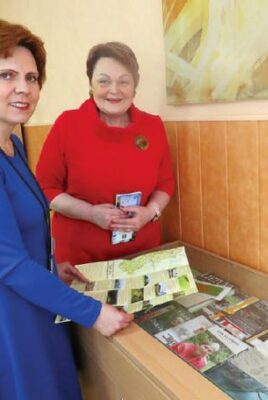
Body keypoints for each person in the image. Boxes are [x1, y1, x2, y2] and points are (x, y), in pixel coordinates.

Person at [0, 20, 133, 399]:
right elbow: (9, 265)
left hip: (41, 300)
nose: (23, 89)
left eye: (32, 77)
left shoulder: (14, 145)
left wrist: (51, 265)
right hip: (13, 318)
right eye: (7, 75)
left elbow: (20, 233)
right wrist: (94, 313)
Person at [36, 41, 175, 266]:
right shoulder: (68, 124)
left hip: (142, 254)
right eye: (104, 81)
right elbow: (45, 188)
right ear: (91, 84)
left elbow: (165, 183)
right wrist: (91, 213)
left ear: (134, 86)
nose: (114, 90)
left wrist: (149, 213)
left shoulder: (153, 126)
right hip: (79, 261)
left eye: (123, 81)